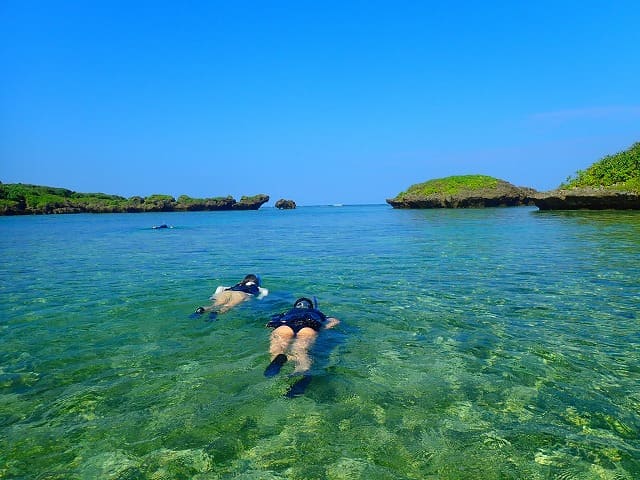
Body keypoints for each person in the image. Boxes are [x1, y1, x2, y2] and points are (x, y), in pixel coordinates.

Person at [263, 297, 340, 396]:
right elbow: (335, 321)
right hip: (307, 327)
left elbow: (269, 324)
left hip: (285, 326)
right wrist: (322, 327)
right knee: (301, 351)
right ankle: (303, 371)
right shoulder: (316, 313)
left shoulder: (287, 313)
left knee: (278, 347)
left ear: (296, 305)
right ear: (310, 306)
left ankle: (279, 356)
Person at [194, 274, 266, 315]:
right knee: (228, 306)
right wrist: (258, 298)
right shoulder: (256, 287)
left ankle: (202, 309)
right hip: (241, 294)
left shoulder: (239, 284)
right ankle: (215, 314)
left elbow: (220, 287)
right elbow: (265, 291)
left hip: (227, 292)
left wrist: (214, 296)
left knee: (214, 305)